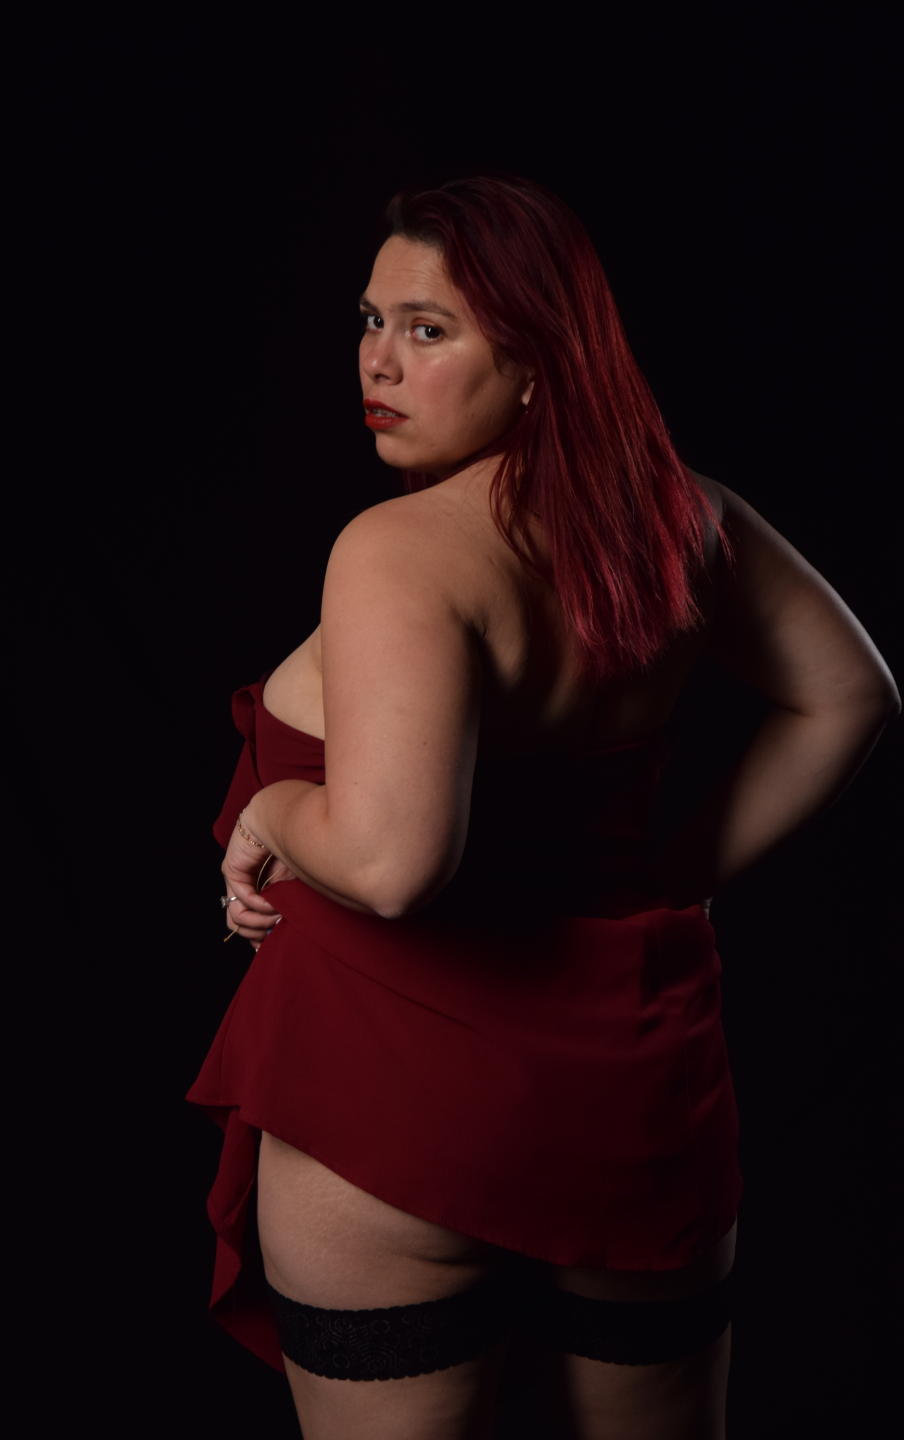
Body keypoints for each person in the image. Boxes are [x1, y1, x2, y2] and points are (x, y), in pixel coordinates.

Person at [186, 173, 900, 1439]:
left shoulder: (399, 551)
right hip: (630, 1099)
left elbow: (394, 865)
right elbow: (850, 694)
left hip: (390, 1104)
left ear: (538, 363)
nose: (379, 361)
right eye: (371, 320)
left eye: (429, 329)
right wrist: (677, 873)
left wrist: (276, 816)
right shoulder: (685, 519)